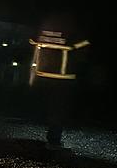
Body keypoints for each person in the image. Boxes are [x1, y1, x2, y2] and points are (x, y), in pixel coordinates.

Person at [29, 11, 90, 150]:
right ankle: (53, 141)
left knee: (47, 105)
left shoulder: (43, 29)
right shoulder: (71, 32)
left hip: (42, 74)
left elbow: (32, 40)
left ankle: (44, 138)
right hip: (63, 78)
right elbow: (83, 46)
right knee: (58, 109)